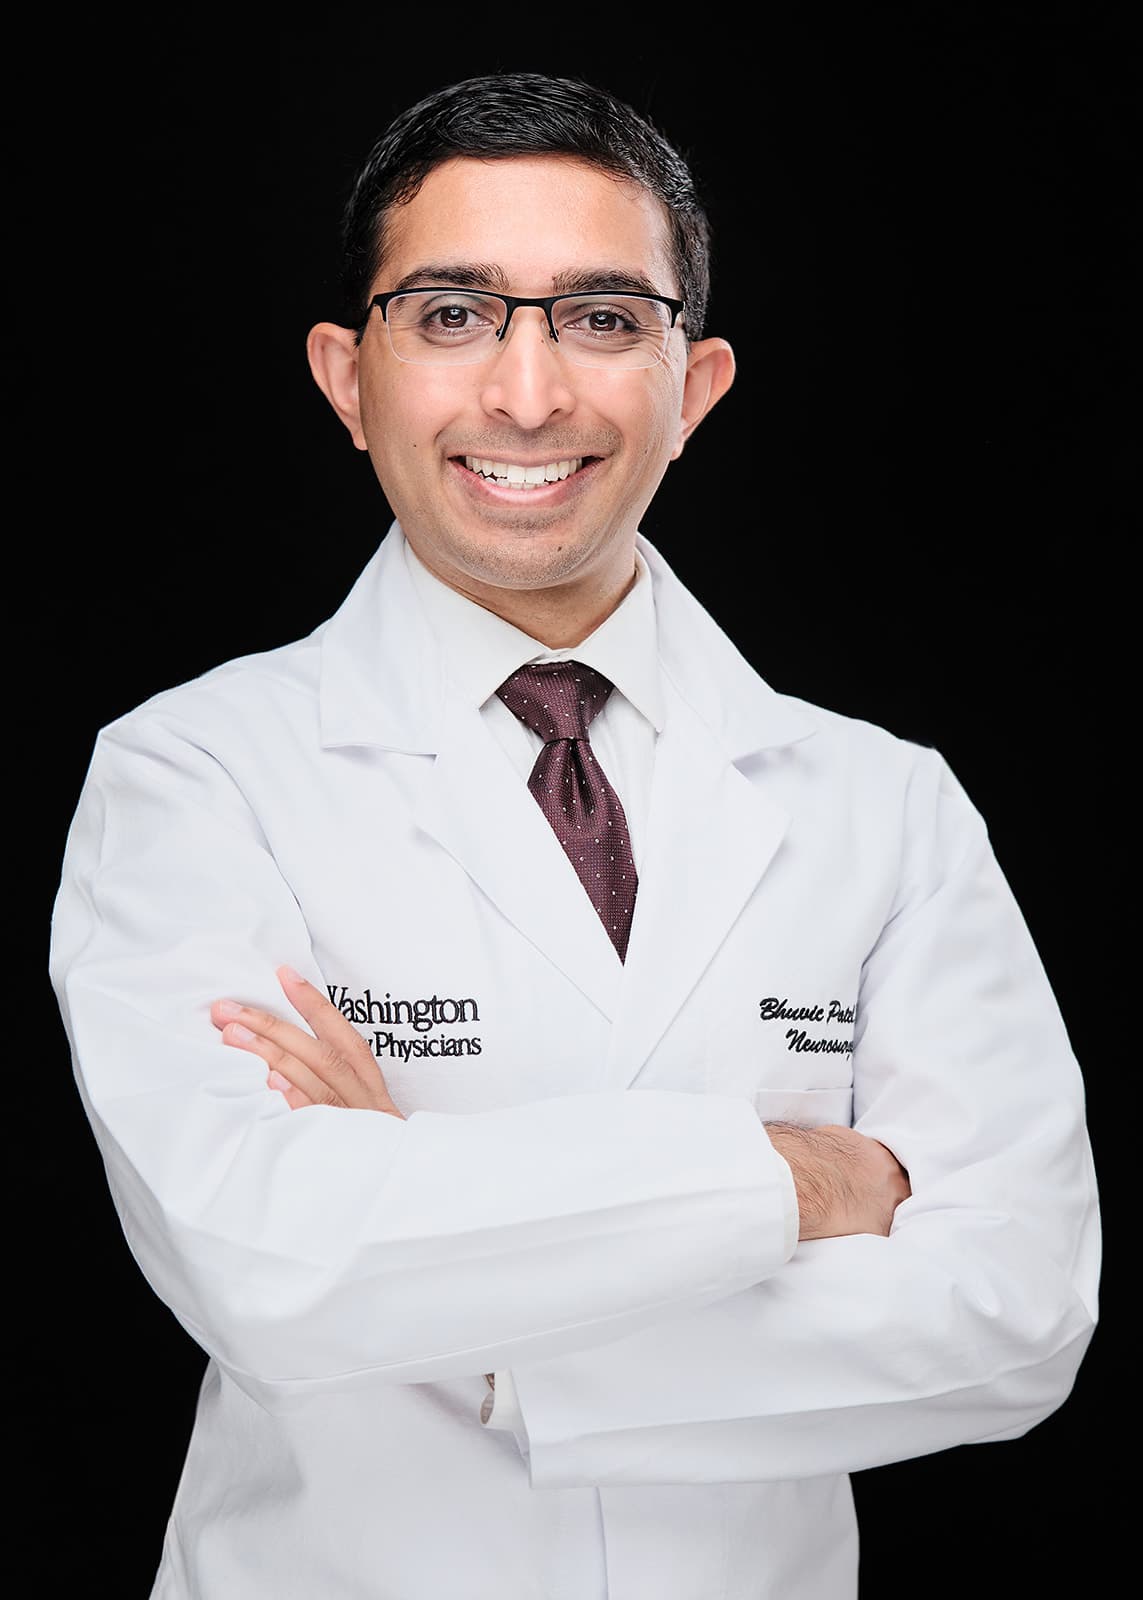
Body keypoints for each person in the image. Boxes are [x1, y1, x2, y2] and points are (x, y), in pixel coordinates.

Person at [49, 70, 1100, 1600]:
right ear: (349, 376)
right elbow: (266, 1265)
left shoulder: (885, 804)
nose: (528, 395)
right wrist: (791, 1180)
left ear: (699, 384)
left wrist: (465, 1313)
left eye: (605, 318)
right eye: (455, 313)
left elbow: (1016, 1313)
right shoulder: (196, 774)